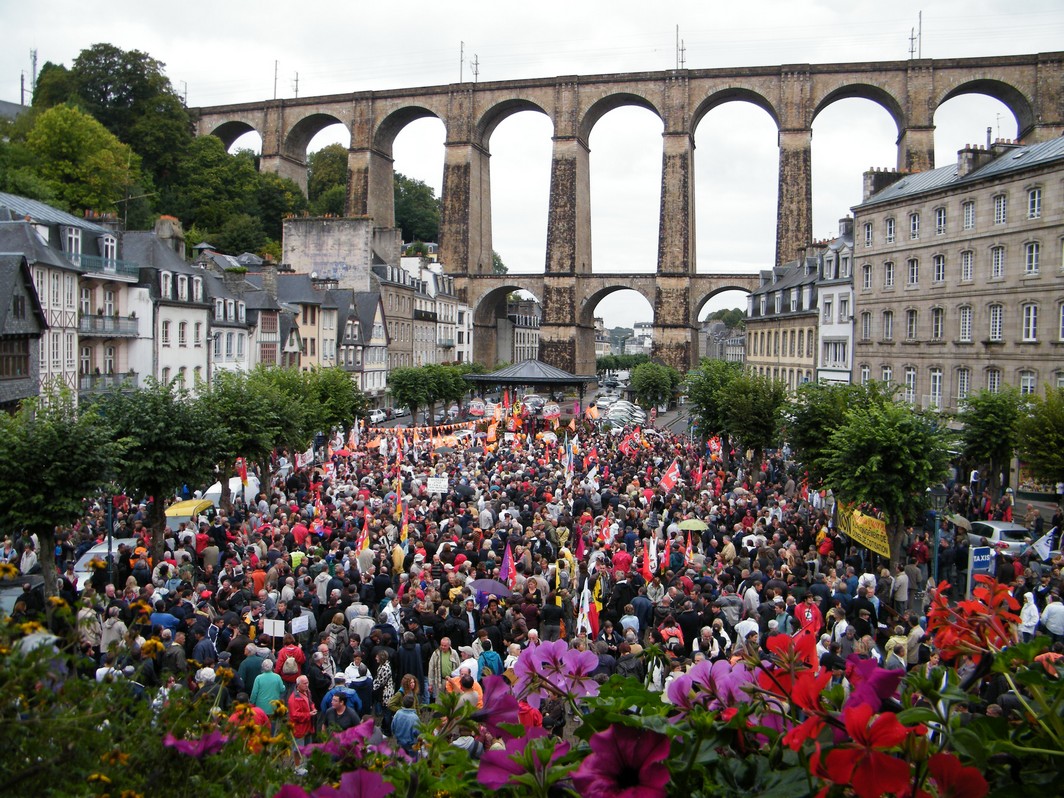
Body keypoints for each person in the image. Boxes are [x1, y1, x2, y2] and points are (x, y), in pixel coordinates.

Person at [249, 659, 286, 725]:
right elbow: (282, 689)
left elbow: (254, 693)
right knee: (272, 724)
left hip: (261, 706)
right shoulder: (277, 677)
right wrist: (283, 686)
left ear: (262, 667)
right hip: (273, 706)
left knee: (261, 724)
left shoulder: (258, 678)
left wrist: (252, 702)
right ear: (272, 667)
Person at [287, 674, 317, 744]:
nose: (307, 685)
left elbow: (310, 702)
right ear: (298, 685)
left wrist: (313, 708)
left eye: (307, 683)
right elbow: (294, 715)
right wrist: (309, 714)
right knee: (298, 751)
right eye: (304, 683)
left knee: (308, 750)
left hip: (308, 727)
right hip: (299, 729)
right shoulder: (294, 698)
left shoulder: (307, 691)